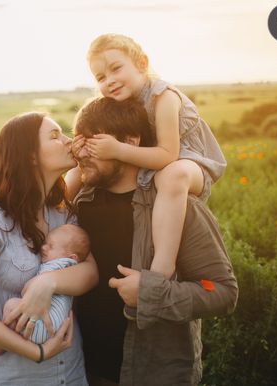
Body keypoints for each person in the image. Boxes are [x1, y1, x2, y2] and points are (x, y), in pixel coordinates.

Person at [72, 97, 238, 385]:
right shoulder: (80, 202)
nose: (83, 153)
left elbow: (221, 292)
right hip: (81, 372)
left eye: (94, 142)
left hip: (153, 373)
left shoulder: (179, 209)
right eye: (80, 142)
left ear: (130, 141)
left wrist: (151, 294)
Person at [66, 34, 227, 316]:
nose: (109, 81)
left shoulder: (163, 97)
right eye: (100, 76)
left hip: (191, 162)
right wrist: (82, 148)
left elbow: (167, 154)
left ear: (142, 63)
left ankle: (160, 270)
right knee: (76, 176)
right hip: (157, 165)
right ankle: (52, 207)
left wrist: (115, 149)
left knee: (172, 176)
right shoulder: (122, 101)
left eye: (116, 69)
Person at [0, 112, 99, 385]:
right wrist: (36, 351)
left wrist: (48, 282)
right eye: (55, 136)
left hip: (67, 372)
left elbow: (90, 272)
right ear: (30, 155)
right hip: (9, 375)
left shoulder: (61, 214)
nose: (68, 141)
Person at [0, 224, 91, 356]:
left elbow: (28, 290)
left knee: (12, 305)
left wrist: (33, 286)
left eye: (51, 246)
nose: (43, 247)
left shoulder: (58, 265)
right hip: (54, 329)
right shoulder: (72, 267)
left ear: (72, 257)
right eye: (45, 243)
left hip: (43, 325)